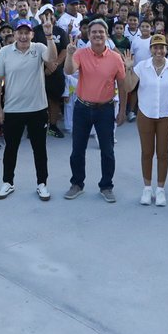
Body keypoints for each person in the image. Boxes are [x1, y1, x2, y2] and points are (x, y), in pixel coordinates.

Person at [0, 19, 59, 200]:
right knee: (11, 149)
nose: (23, 36)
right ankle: (8, 182)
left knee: (39, 149)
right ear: (15, 34)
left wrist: (49, 36)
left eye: (26, 33)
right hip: (13, 109)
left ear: (32, 34)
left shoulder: (39, 48)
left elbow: (52, 59)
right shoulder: (5, 52)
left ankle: (42, 184)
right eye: (20, 33)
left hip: (37, 109)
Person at [65, 20, 128, 202]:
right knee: (77, 149)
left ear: (106, 35)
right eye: (94, 32)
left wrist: (122, 110)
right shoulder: (80, 53)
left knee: (107, 150)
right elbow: (69, 70)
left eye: (101, 31)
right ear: (89, 34)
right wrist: (69, 54)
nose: (97, 35)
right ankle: (77, 184)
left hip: (105, 109)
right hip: (82, 108)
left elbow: (122, 86)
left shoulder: (115, 58)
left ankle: (106, 186)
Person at [126, 34, 168, 207]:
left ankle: (160, 189)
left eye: (161, 47)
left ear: (166, 49)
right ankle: (147, 188)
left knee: (163, 153)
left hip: (166, 115)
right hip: (145, 114)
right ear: (150, 49)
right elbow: (129, 87)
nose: (159, 51)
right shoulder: (141, 67)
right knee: (147, 152)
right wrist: (128, 69)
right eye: (155, 47)